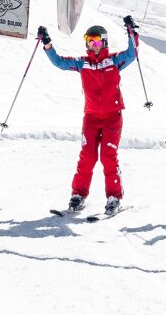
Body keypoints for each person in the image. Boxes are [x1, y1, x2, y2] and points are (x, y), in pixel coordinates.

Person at [38, 16, 140, 216]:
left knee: (108, 157)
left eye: (95, 41)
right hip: (91, 118)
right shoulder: (83, 63)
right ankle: (78, 196)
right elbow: (59, 63)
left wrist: (131, 32)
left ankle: (114, 198)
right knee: (87, 157)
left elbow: (132, 53)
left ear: (103, 42)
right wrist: (47, 44)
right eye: (88, 41)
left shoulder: (114, 61)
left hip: (112, 118)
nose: (92, 46)